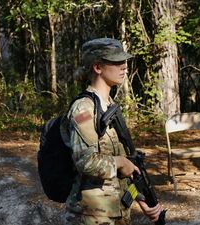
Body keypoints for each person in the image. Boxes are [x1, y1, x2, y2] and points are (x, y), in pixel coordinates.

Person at [60, 38, 164, 225]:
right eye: (116, 62)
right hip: (91, 215)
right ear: (98, 67)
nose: (124, 66)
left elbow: (127, 166)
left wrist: (142, 200)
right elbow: (85, 161)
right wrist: (121, 163)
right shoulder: (84, 109)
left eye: (124, 61)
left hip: (117, 213)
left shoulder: (110, 106)